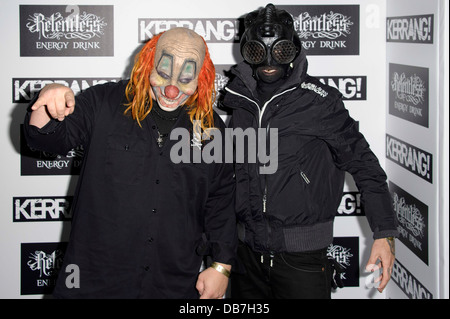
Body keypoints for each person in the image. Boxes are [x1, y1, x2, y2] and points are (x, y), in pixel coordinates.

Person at [23, 27, 236, 299]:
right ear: (148, 63)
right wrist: (47, 101)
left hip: (171, 284)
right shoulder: (102, 103)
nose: (171, 90)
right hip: (92, 282)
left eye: (185, 78)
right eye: (163, 72)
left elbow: (220, 202)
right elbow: (45, 139)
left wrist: (221, 266)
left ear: (201, 78)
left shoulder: (210, 129)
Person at [221, 4, 398, 299]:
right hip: (246, 257)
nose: (268, 61)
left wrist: (384, 233)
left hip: (301, 260)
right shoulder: (239, 101)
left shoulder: (318, 102)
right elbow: (227, 178)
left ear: (293, 50)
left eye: (280, 51)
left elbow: (365, 165)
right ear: (245, 51)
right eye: (257, 51)